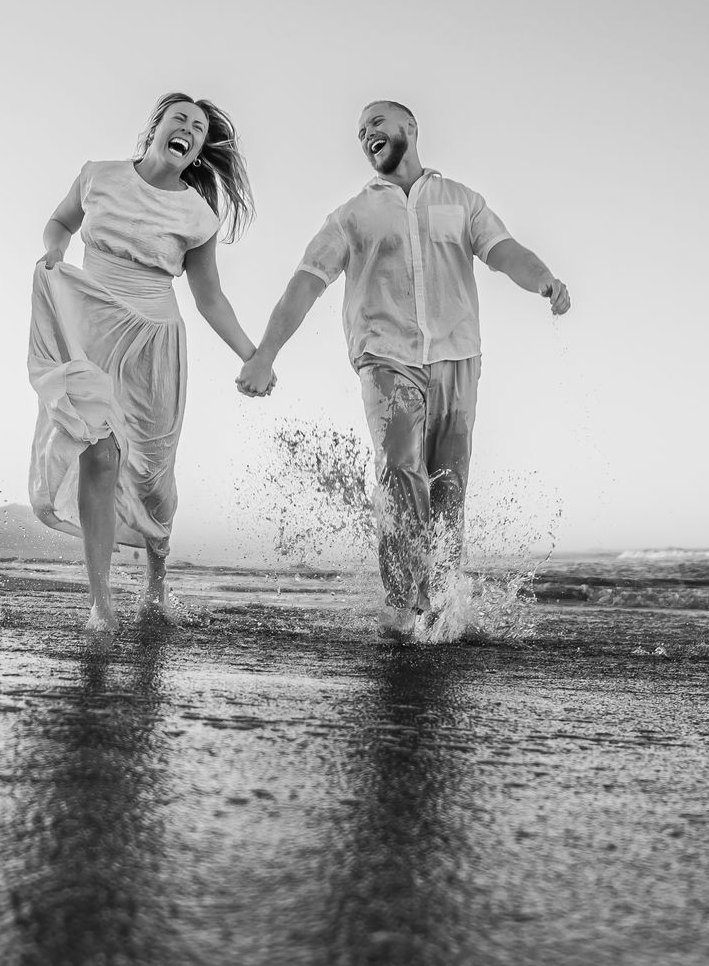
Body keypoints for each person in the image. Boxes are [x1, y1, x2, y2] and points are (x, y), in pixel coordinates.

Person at [235, 100, 570, 640]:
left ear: (411, 128)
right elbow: (306, 282)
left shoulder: (460, 200)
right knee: (398, 467)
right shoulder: (351, 215)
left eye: (377, 123)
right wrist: (265, 353)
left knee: (448, 486)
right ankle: (403, 605)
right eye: (360, 131)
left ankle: (442, 603)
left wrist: (543, 278)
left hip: (458, 354)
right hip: (385, 355)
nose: (367, 134)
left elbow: (502, 250)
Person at [29, 92, 258, 632]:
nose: (188, 130)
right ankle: (101, 603)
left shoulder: (198, 216)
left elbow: (210, 299)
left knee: (152, 477)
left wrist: (252, 354)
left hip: (154, 344)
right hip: (91, 329)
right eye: (180, 119)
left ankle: (157, 576)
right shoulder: (99, 176)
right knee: (98, 455)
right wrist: (55, 252)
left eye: (198, 130)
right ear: (156, 127)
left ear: (198, 150)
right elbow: (59, 222)